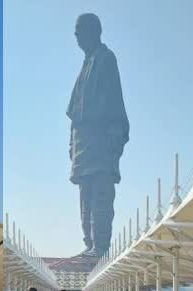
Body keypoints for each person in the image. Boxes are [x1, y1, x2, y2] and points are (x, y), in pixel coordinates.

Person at [67, 13, 130, 257]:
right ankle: (89, 244)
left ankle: (100, 246)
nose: (76, 36)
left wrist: (114, 136)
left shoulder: (105, 58)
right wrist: (71, 143)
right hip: (83, 144)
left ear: (93, 31)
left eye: (79, 30)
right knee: (85, 198)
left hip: (102, 141)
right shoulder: (85, 64)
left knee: (101, 196)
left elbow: (114, 99)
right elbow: (74, 113)